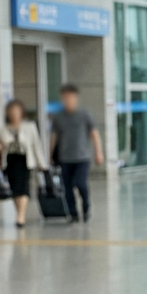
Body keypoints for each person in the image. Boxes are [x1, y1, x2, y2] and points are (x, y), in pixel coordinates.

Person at [49, 84, 104, 223]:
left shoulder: (84, 114)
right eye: (65, 97)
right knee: (67, 188)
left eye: (70, 97)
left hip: (82, 157)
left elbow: (94, 134)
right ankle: (73, 213)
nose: (67, 100)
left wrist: (99, 152)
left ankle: (86, 206)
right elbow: (54, 137)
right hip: (65, 158)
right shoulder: (58, 117)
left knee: (80, 183)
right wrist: (50, 154)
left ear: (76, 98)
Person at [1, 100, 48, 227]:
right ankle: (20, 212)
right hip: (10, 161)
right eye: (11, 111)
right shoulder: (4, 129)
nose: (14, 114)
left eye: (16, 111)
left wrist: (42, 163)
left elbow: (36, 145)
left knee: (24, 188)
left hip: (25, 161)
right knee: (15, 189)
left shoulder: (30, 127)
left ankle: (20, 216)